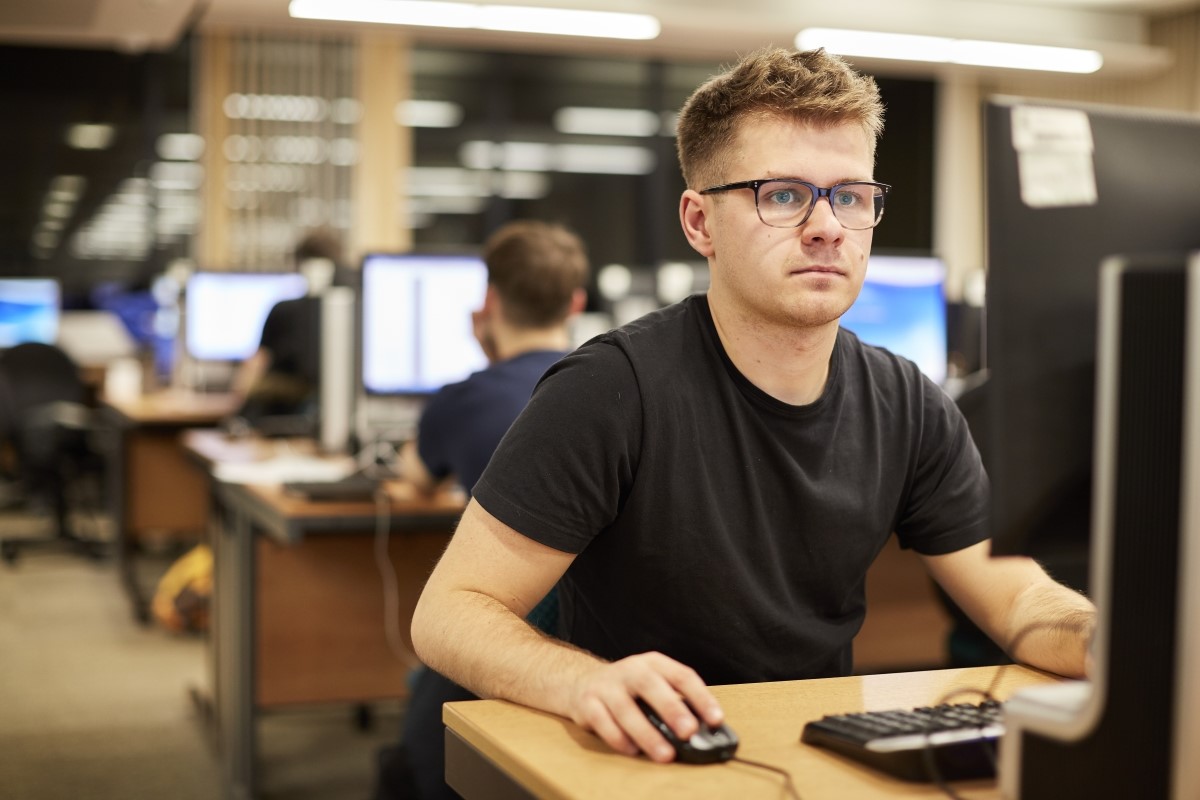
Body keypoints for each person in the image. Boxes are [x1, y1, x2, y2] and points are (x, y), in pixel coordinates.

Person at [409, 46, 1097, 767]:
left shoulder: (908, 403)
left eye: (851, 196)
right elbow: (450, 612)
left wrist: (1102, 641)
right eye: (784, 195)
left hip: (812, 757)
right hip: (642, 761)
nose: (828, 226)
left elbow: (1018, 601)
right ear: (699, 223)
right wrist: (583, 682)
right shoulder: (611, 388)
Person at [373, 219, 590, 800]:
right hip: (592, 646)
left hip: (502, 636)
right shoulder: (607, 394)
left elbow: (414, 478)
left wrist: (484, 354)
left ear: (489, 302)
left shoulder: (462, 398)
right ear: (576, 302)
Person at [231, 228, 344, 423]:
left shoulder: (282, 310)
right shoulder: (349, 315)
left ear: (299, 265)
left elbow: (254, 368)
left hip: (275, 419)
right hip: (331, 417)